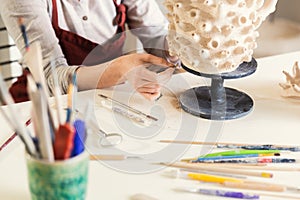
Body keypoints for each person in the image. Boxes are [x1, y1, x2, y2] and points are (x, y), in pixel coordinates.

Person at [0, 0, 178, 102]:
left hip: (108, 99)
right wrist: (119, 71)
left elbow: (155, 35)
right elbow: (50, 75)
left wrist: (177, 48)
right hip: (46, 103)